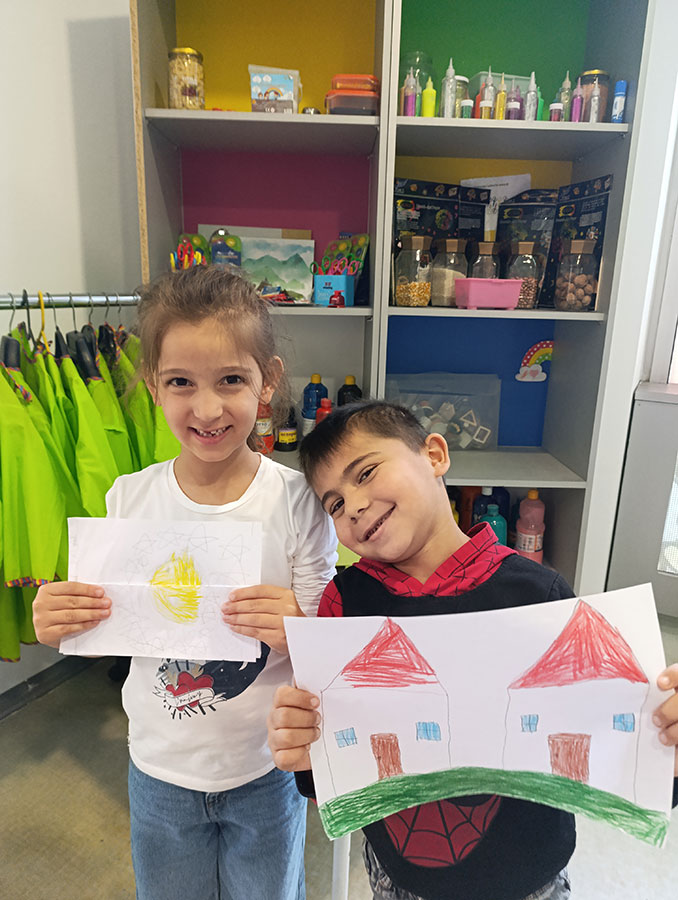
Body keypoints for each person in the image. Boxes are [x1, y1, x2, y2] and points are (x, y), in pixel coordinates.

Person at [268, 401, 678, 900]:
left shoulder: (539, 596)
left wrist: (664, 745)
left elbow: (610, 746)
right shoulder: (344, 604)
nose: (352, 506)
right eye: (333, 504)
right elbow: (331, 774)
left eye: (367, 473)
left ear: (435, 455)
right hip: (397, 878)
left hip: (531, 878)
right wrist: (303, 746)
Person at [33, 266, 337, 900]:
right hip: (159, 769)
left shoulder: (297, 501)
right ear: (152, 384)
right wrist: (61, 619)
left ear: (268, 379)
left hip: (265, 768)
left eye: (231, 380)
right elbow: (102, 620)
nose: (207, 408)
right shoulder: (128, 499)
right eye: (180, 382)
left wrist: (302, 625)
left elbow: (331, 641)